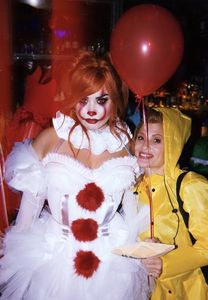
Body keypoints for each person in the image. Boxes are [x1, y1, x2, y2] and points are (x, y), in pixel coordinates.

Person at [0, 50, 149, 300]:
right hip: (54, 255)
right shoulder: (51, 138)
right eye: (83, 99)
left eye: (101, 100)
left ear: (115, 101)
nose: (91, 110)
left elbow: (134, 210)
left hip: (113, 259)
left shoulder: (126, 141)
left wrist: (144, 253)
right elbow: (30, 209)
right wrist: (15, 251)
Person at [133, 106, 208, 299]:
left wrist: (166, 263)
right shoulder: (133, 186)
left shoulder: (192, 186)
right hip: (153, 290)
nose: (145, 146)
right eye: (140, 137)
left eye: (156, 140)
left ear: (173, 144)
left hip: (194, 288)